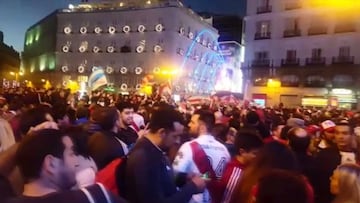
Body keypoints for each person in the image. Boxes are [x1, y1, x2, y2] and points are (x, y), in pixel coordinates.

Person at [5, 129, 125, 203]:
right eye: (71, 154)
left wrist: (26, 144)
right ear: (51, 164)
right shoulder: (94, 197)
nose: (77, 162)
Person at [122, 106, 206, 203]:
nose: (177, 141)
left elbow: (160, 179)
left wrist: (183, 178)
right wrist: (192, 187)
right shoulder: (144, 158)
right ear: (162, 132)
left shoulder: (154, 150)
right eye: (175, 136)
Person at [173, 109, 230, 203]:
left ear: (202, 127)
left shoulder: (188, 147)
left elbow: (175, 176)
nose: (189, 125)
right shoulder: (224, 149)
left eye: (192, 122)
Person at [313, 121, 359, 203]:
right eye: (337, 133)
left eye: (345, 133)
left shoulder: (358, 154)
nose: (340, 137)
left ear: (352, 135)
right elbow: (318, 181)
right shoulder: (324, 155)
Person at [220, 129, 264, 203]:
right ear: (242, 152)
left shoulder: (251, 167)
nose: (258, 157)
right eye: (255, 153)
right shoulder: (235, 173)